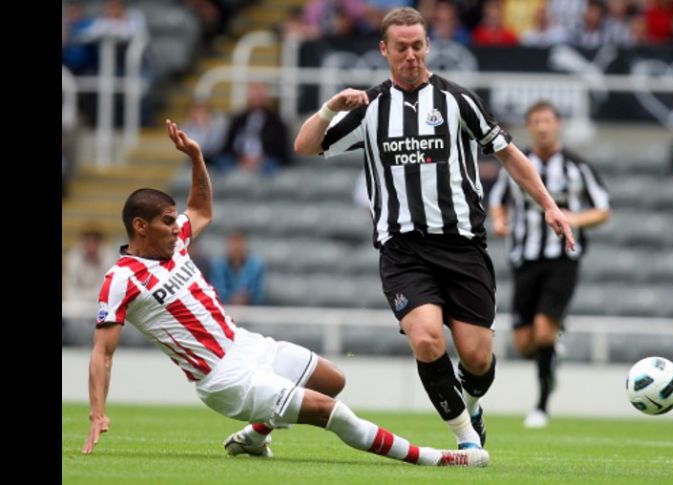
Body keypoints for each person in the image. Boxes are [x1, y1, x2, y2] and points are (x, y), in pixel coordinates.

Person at [81, 119, 488, 468]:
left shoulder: (176, 243)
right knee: (331, 412)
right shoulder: (121, 279)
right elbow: (102, 351)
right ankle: (436, 457)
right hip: (223, 378)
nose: (177, 226)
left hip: (247, 345)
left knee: (332, 379)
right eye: (167, 222)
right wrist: (98, 412)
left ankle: (255, 437)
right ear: (140, 226)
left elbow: (202, 209)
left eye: (174, 221)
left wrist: (197, 158)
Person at [293, 7, 575, 450]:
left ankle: (473, 406)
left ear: (429, 47)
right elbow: (306, 144)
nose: (411, 55)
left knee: (478, 359)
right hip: (402, 250)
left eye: (418, 46)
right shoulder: (370, 109)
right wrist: (330, 107)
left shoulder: (457, 101)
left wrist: (549, 206)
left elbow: (508, 154)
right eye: (401, 47)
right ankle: (467, 441)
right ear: (384, 50)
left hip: (462, 246)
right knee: (426, 339)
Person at [488, 100, 611, 428]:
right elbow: (497, 203)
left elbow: (602, 209)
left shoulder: (578, 167)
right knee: (524, 343)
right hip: (524, 259)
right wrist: (500, 222)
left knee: (543, 329)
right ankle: (551, 354)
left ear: (558, 124)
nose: (542, 127)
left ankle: (541, 406)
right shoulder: (516, 164)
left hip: (562, 259)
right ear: (529, 126)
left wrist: (574, 218)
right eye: (536, 122)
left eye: (548, 121)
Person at [209, 230, 267, 305]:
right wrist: (231, 298)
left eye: (239, 242)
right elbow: (217, 289)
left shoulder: (257, 266)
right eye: (233, 242)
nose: (236, 246)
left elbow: (259, 292)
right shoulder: (218, 266)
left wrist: (246, 297)